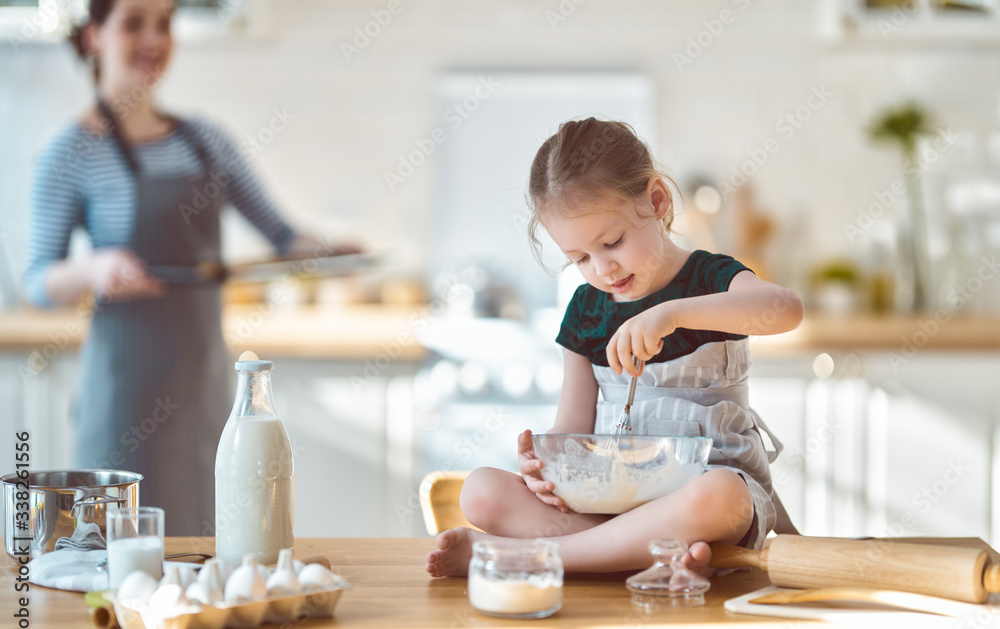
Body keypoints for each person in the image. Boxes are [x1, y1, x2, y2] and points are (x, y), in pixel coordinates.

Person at [24, 0, 353, 535]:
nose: (153, 38)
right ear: (93, 37)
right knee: (116, 553)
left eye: (164, 22)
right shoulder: (71, 153)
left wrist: (336, 252)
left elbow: (283, 237)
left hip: (204, 393)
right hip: (122, 401)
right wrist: (94, 268)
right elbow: (38, 281)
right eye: (134, 22)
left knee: (203, 549)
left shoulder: (205, 142)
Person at [426, 118, 803, 577]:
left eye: (612, 242)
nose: (603, 269)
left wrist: (675, 313)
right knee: (480, 490)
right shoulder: (587, 310)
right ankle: (649, 554)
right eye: (580, 258)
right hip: (611, 506)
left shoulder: (710, 277)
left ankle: (536, 557)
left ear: (657, 201)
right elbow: (573, 426)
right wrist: (545, 464)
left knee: (720, 494)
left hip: (707, 495)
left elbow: (786, 309)